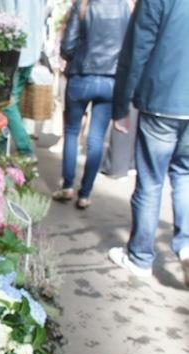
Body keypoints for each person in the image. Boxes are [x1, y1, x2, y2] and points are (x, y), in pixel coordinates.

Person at [108, 0, 189, 284]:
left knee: (151, 182)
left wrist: (120, 107)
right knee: (185, 176)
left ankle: (140, 257)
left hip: (161, 101)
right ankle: (187, 244)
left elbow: (136, 51)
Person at [51, 0, 131, 209]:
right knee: (96, 138)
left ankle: (68, 186)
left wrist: (75, 54)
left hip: (81, 76)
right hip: (111, 80)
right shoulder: (126, 7)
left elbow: (67, 46)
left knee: (71, 131)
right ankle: (85, 194)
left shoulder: (84, 4)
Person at [0, 0, 47, 159]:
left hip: (14, 54)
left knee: (6, 103)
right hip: (31, 51)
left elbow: (7, 21)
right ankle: (6, 146)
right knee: (13, 102)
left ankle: (25, 149)